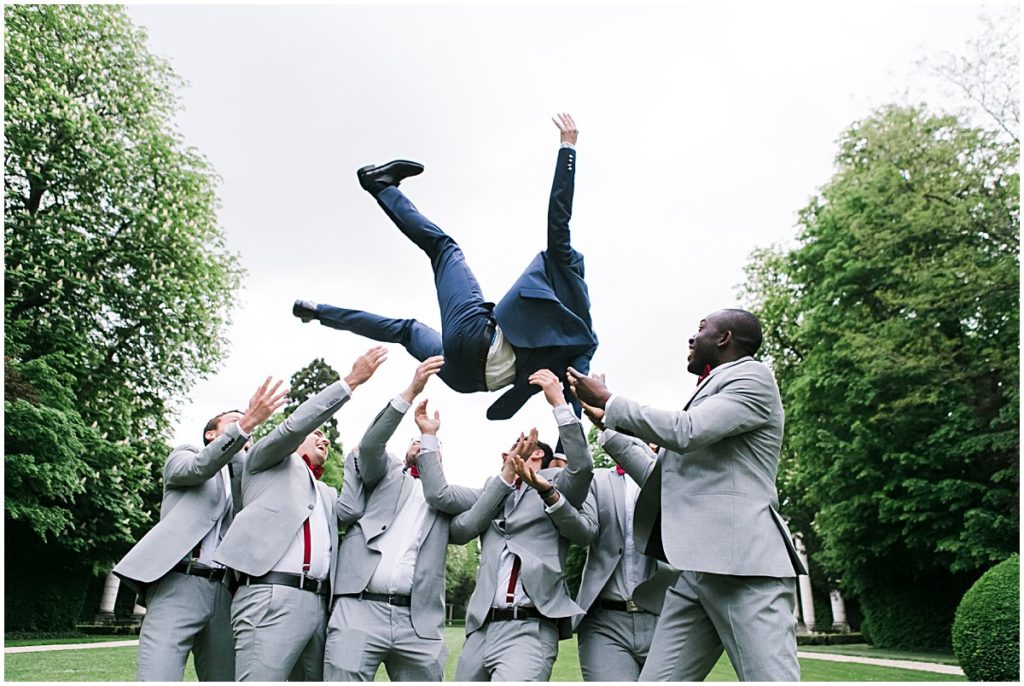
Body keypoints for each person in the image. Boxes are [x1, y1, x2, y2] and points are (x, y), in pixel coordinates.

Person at [293, 114, 597, 420]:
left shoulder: (563, 262)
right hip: (465, 380)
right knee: (407, 331)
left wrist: (567, 148)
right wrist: (562, 453)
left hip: (474, 337)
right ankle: (317, 311)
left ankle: (381, 186)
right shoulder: (586, 338)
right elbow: (578, 389)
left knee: (444, 248)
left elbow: (560, 215)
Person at [567, 308, 806, 682]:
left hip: (745, 567)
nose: (692, 339)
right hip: (695, 572)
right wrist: (607, 425)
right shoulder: (710, 392)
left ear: (724, 338)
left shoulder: (752, 377)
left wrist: (613, 402)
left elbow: (687, 430)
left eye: (701, 329)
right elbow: (660, 478)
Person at [323, 357, 517, 681]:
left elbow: (470, 524)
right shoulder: (382, 474)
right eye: (417, 441)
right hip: (359, 608)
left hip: (418, 623)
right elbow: (371, 444)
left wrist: (508, 474)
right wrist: (411, 391)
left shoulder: (444, 500)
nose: (423, 445)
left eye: (432, 447)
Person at [213, 346, 387, 681]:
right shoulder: (264, 459)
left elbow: (350, 510)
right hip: (270, 594)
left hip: (318, 604)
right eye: (318, 434)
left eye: (327, 437)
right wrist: (351, 381)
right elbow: (295, 426)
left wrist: (353, 462)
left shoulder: (324, 492)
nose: (324, 438)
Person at [112, 378, 288, 681]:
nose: (246, 428)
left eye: (249, 428)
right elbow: (198, 468)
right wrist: (246, 423)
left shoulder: (247, 482)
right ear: (211, 434)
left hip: (225, 591)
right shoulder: (184, 454)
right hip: (178, 582)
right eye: (234, 422)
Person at [441, 369, 594, 681]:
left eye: (516, 445)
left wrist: (559, 404)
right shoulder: (493, 489)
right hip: (481, 630)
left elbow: (582, 469)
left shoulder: (555, 482)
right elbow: (457, 529)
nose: (506, 453)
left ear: (536, 451)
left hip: (530, 628)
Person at [571, 430, 678, 682]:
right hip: (605, 621)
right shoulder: (596, 480)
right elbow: (582, 532)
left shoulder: (673, 483)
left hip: (666, 618)